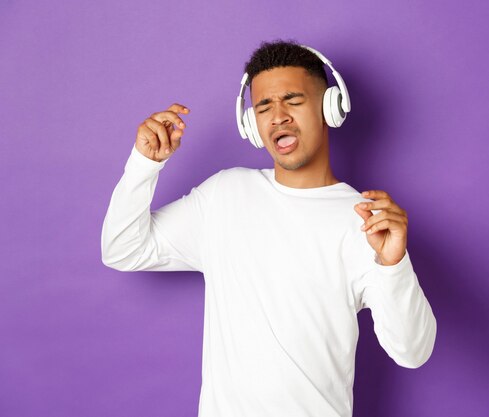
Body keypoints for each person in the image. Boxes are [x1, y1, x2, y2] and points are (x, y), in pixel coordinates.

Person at [101, 40, 436, 417]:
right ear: (252, 124)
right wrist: (144, 164)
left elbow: (412, 351)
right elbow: (123, 249)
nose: (278, 116)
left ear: (330, 108)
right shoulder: (225, 195)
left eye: (292, 100)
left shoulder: (364, 221)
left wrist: (393, 264)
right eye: (263, 106)